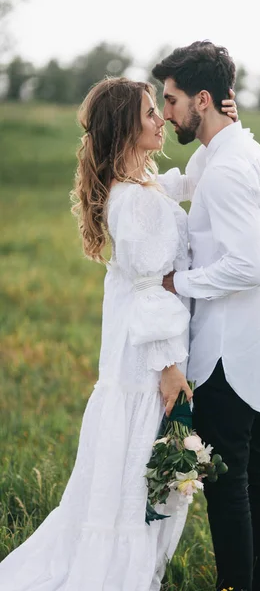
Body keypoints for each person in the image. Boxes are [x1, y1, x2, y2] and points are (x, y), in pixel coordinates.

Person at [0, 77, 237, 591]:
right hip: (147, 362)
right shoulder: (138, 201)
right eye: (151, 112)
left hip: (136, 354)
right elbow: (154, 292)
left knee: (134, 470)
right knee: (138, 472)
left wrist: (226, 130)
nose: (161, 120)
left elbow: (190, 183)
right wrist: (171, 367)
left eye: (160, 109)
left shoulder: (139, 187)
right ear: (126, 127)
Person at [152, 41, 260, 591]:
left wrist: (178, 282)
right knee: (257, 474)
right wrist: (132, 183)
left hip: (228, 358)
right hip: (252, 349)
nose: (165, 113)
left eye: (170, 101)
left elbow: (250, 267)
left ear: (203, 99)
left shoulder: (230, 168)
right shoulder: (239, 154)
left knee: (229, 485)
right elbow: (191, 181)